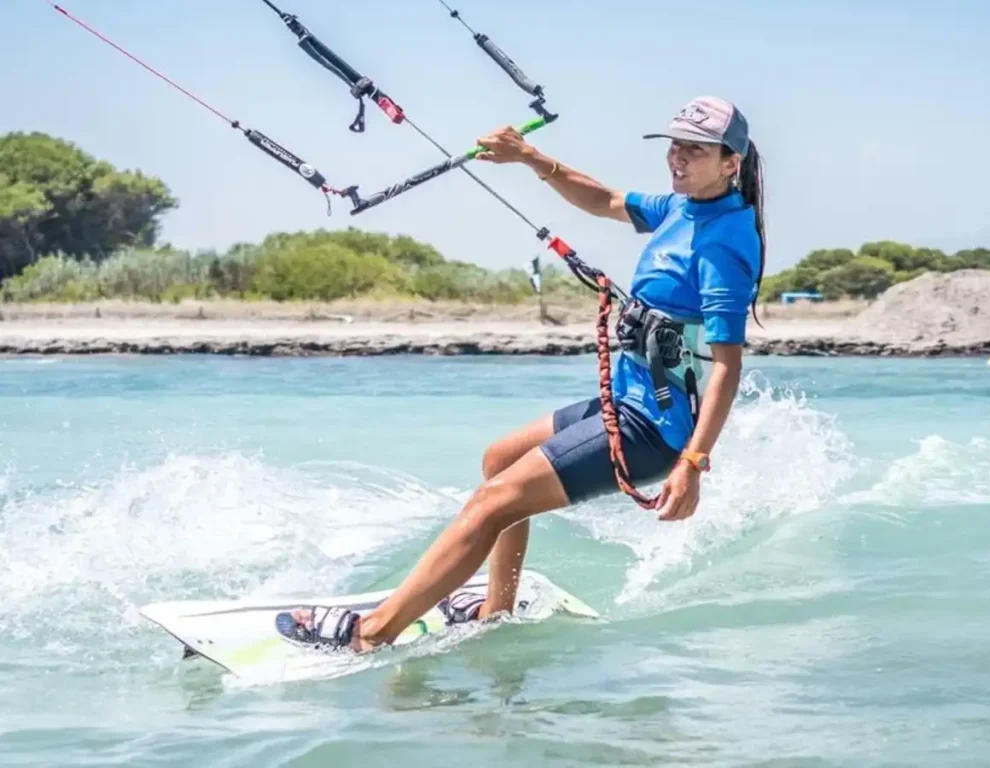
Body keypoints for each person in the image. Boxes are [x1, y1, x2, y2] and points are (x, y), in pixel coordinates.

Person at [277, 96, 767, 652]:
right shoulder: (682, 209)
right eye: (674, 146)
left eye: (694, 151)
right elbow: (605, 199)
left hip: (656, 429)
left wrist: (693, 463)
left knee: (493, 501)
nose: (677, 159)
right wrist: (531, 157)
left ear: (732, 162)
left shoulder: (726, 242)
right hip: (626, 404)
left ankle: (373, 632)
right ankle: (495, 609)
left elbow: (728, 366)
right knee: (498, 460)